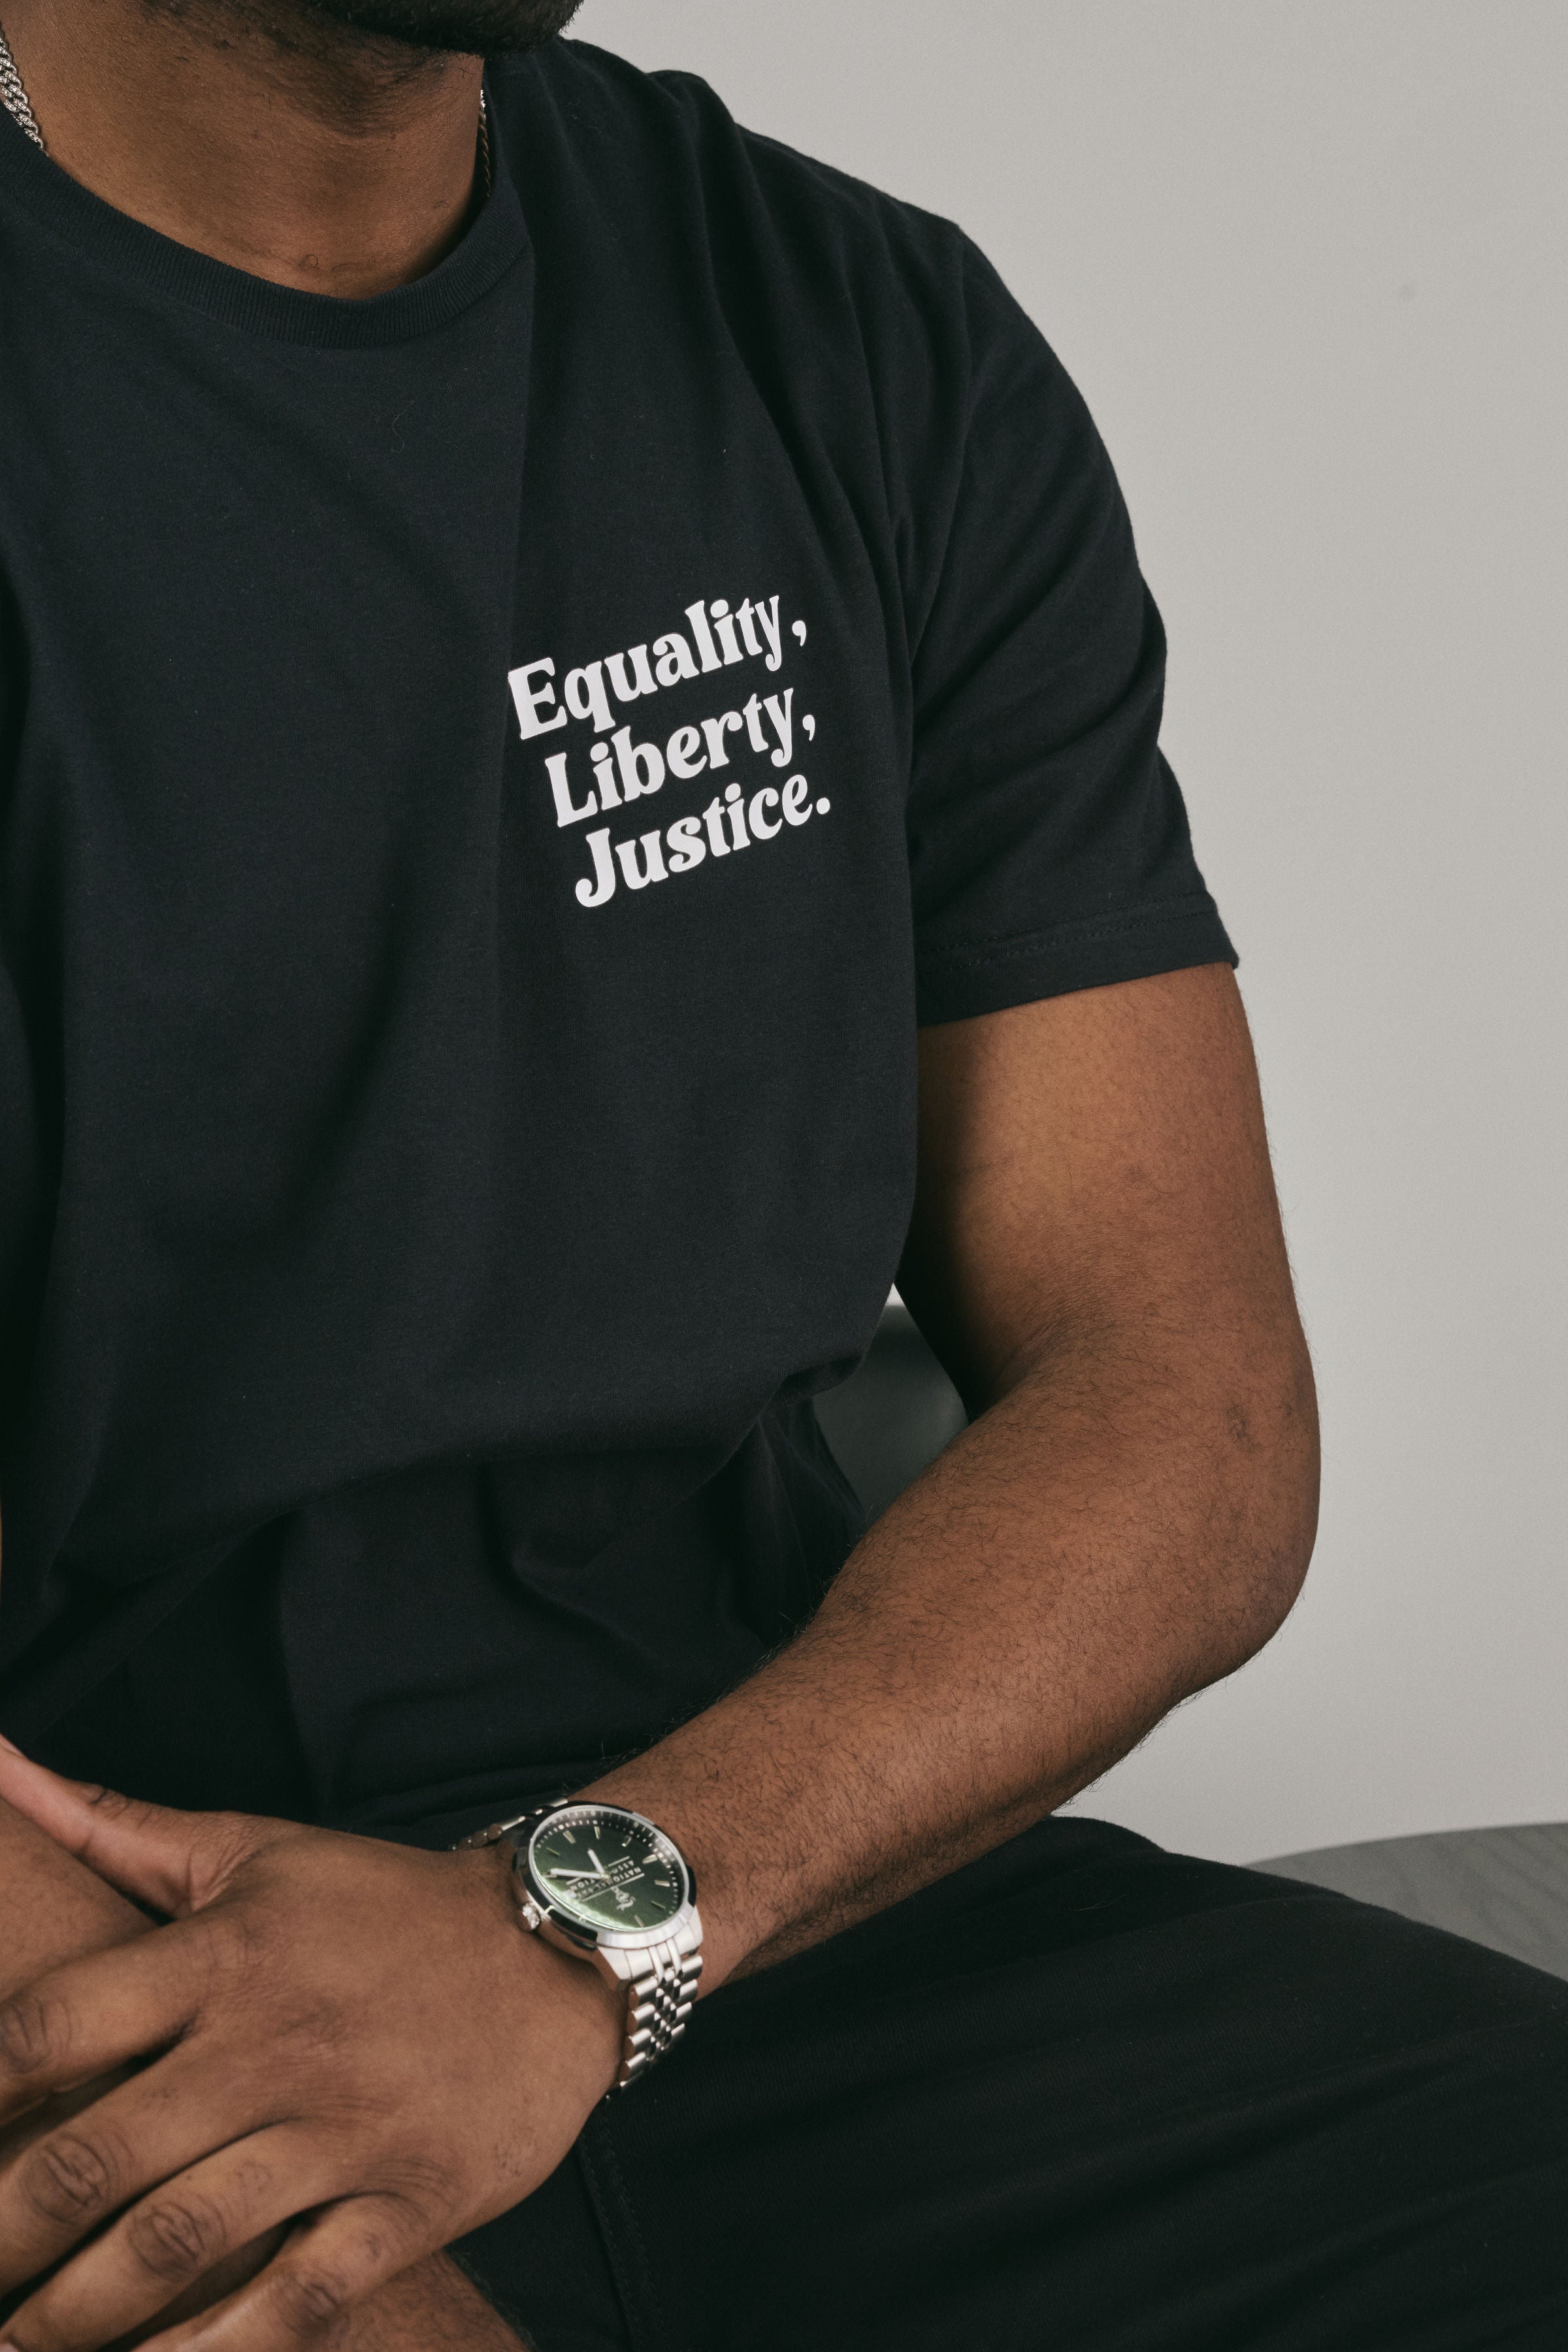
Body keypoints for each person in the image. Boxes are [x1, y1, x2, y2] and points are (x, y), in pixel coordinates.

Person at [0, 4, 1563, 2347]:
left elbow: (1187, 1397)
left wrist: (580, 1928)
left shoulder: (854, 331)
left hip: (735, 1899)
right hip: (84, 1979)